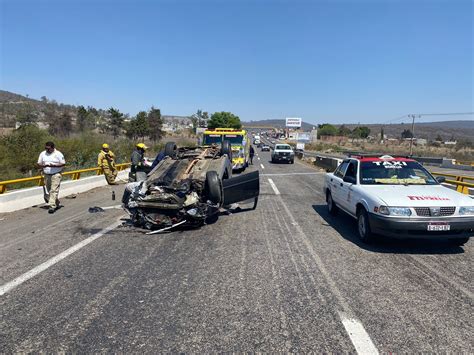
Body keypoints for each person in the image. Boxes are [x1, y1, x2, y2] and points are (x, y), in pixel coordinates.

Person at [37, 141, 65, 214]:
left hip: (56, 174)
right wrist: (43, 166)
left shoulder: (58, 154)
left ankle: (52, 206)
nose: (47, 150)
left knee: (53, 190)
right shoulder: (43, 154)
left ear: (52, 148)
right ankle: (57, 203)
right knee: (49, 190)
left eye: (48, 148)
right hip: (46, 174)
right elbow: (39, 163)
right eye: (46, 148)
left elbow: (63, 164)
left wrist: (53, 165)